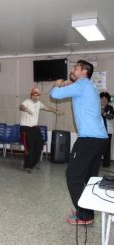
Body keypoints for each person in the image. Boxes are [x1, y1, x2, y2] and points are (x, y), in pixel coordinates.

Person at [50, 60, 108, 225]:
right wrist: (70, 83)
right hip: (100, 140)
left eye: (75, 68)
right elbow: (75, 88)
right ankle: (88, 212)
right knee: (90, 178)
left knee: (73, 175)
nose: (72, 70)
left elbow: (55, 94)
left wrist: (58, 84)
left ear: (84, 72)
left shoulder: (82, 84)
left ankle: (84, 215)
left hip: (89, 139)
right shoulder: (89, 86)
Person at [19, 87, 62, 173]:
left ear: (39, 96)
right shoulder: (27, 101)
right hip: (26, 128)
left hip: (35, 128)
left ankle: (33, 163)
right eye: (35, 94)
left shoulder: (38, 103)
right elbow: (21, 106)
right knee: (30, 147)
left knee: (39, 144)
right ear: (32, 94)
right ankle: (27, 166)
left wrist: (55, 111)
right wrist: (27, 110)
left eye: (38, 94)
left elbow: (46, 107)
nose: (36, 96)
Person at [100, 91, 114, 167]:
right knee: (98, 146)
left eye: (105, 99)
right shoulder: (95, 106)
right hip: (98, 130)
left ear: (108, 100)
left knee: (107, 147)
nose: (104, 100)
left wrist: (104, 114)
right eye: (102, 98)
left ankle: (106, 163)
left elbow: (112, 116)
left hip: (108, 130)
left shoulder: (110, 107)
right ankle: (96, 161)